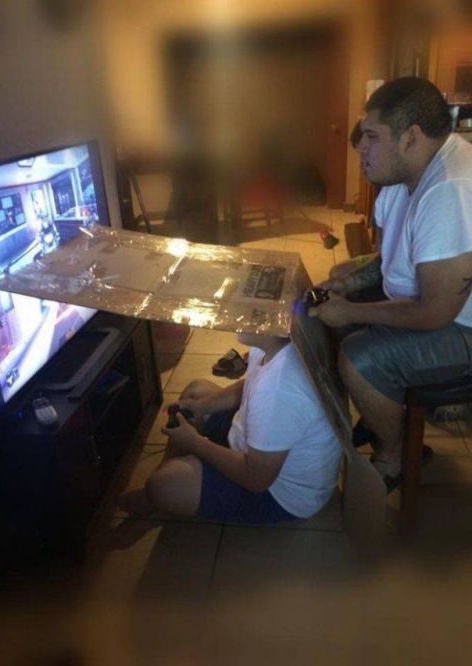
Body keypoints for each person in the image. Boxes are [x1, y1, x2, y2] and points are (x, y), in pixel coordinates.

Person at [308, 77, 472, 487]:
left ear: (410, 137)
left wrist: (352, 311)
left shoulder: (449, 190)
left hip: (462, 326)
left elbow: (436, 311)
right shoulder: (403, 176)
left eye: (371, 137)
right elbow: (391, 258)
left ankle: (396, 455)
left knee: (359, 358)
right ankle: (380, 413)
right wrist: (351, 282)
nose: (361, 148)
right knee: (323, 304)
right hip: (434, 305)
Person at [119, 333, 342, 523]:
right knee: (196, 392)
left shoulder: (279, 390)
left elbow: (257, 479)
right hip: (259, 448)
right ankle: (173, 474)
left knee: (163, 485)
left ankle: (164, 487)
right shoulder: (277, 345)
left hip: (281, 494)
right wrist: (202, 406)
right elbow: (251, 383)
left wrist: (195, 443)